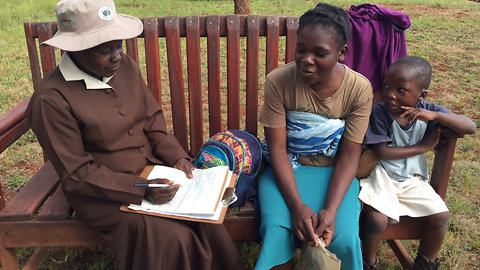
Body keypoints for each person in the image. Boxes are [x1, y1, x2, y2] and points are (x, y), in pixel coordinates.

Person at [25, 0, 247, 269]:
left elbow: (152, 121)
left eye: (118, 45)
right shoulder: (51, 100)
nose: (117, 56)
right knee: (171, 238)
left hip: (154, 172)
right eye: (105, 50)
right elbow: (78, 175)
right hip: (104, 194)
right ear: (76, 49)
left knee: (205, 221)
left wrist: (176, 158)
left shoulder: (124, 67)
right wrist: (140, 190)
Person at [255, 3, 373, 270]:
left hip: (335, 174)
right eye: (301, 49)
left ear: (342, 53)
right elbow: (277, 150)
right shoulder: (278, 81)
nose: (307, 60)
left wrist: (330, 210)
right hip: (286, 170)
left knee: (342, 235)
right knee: (278, 228)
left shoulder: (358, 89)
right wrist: (296, 205)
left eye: (320, 53)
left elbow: (350, 154)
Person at [358, 56, 476, 270]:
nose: (390, 95)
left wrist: (435, 115)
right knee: (377, 220)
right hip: (382, 175)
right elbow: (382, 153)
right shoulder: (380, 113)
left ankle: (425, 263)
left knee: (440, 216)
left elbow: (470, 126)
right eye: (386, 86)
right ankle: (369, 262)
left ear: (421, 95)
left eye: (401, 90)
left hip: (413, 180)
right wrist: (423, 148)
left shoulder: (427, 110)